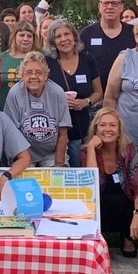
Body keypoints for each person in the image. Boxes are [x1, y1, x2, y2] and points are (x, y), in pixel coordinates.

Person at [86, 107, 138, 258]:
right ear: (96, 129)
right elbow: (90, 184)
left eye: (112, 125)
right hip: (100, 207)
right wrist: (90, 148)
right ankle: (101, 241)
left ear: (119, 130)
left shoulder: (129, 149)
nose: (107, 129)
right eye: (102, 125)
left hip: (124, 207)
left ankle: (127, 236)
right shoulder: (86, 151)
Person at [47, 19, 102, 167]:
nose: (63, 39)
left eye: (67, 34)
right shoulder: (47, 63)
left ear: (74, 37)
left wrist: (86, 102)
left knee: (78, 169)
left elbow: (98, 92)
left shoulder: (88, 60)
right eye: (58, 36)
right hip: (54, 131)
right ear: (53, 42)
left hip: (80, 128)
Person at [2, 51, 71, 166]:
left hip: (51, 152)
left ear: (46, 75)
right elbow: (11, 134)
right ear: (22, 75)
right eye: (28, 73)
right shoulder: (14, 93)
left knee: (57, 179)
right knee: (24, 181)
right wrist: (24, 161)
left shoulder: (58, 93)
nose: (33, 76)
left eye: (39, 73)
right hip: (23, 152)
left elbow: (63, 132)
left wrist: (59, 165)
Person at [80, 0, 136, 95]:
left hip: (126, 96)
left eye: (114, 3)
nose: (109, 7)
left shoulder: (133, 33)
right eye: (105, 3)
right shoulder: (87, 33)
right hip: (95, 97)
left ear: (121, 7)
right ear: (99, 6)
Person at [0, 20, 39, 110]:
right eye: (22, 35)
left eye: (29, 36)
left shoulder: (39, 59)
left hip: (31, 112)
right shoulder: (0, 58)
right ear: (14, 36)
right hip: (4, 111)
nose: (25, 39)